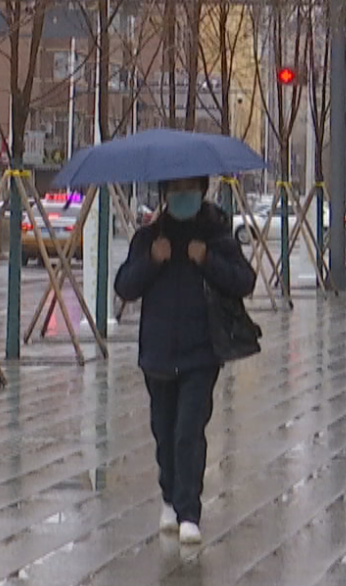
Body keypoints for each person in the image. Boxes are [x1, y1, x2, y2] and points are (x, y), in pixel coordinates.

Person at [114, 175, 256, 546]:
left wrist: (207, 259)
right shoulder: (149, 238)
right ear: (164, 194)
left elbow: (244, 281)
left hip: (201, 352)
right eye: (175, 190)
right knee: (164, 431)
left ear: (202, 191)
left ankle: (189, 511)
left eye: (189, 189)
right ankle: (169, 496)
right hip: (158, 353)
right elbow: (125, 286)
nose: (182, 196)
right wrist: (151, 261)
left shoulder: (215, 235)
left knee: (188, 432)